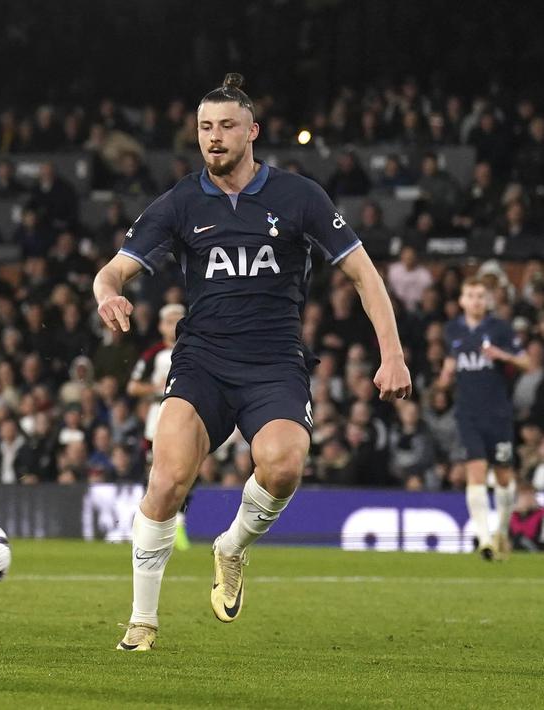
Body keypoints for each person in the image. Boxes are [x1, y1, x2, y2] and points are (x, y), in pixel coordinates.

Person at [92, 74, 411, 652]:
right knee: (165, 482)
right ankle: (142, 621)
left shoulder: (300, 197)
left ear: (253, 132)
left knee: (285, 466)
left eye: (226, 127)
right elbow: (111, 270)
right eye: (205, 128)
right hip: (202, 362)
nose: (214, 138)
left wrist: (392, 354)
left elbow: (364, 274)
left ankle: (232, 545)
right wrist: (108, 294)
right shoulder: (183, 201)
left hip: (273, 363)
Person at [436, 276, 530, 561]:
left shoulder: (501, 329)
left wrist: (502, 356)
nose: (476, 301)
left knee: (503, 477)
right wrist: (445, 375)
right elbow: (444, 381)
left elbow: (526, 362)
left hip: (498, 414)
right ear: (462, 300)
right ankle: (485, 540)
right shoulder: (452, 331)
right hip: (468, 414)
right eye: (471, 295)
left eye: (481, 296)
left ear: (487, 300)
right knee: (475, 473)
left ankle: (501, 531)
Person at [125, 303, 190, 549]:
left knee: (185, 470)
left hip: (188, 418)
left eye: (178, 319)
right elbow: (132, 387)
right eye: (169, 320)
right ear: (161, 326)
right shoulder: (154, 354)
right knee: (155, 472)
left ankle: (179, 524)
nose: (174, 325)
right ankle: (150, 526)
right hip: (158, 419)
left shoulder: (197, 349)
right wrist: (157, 388)